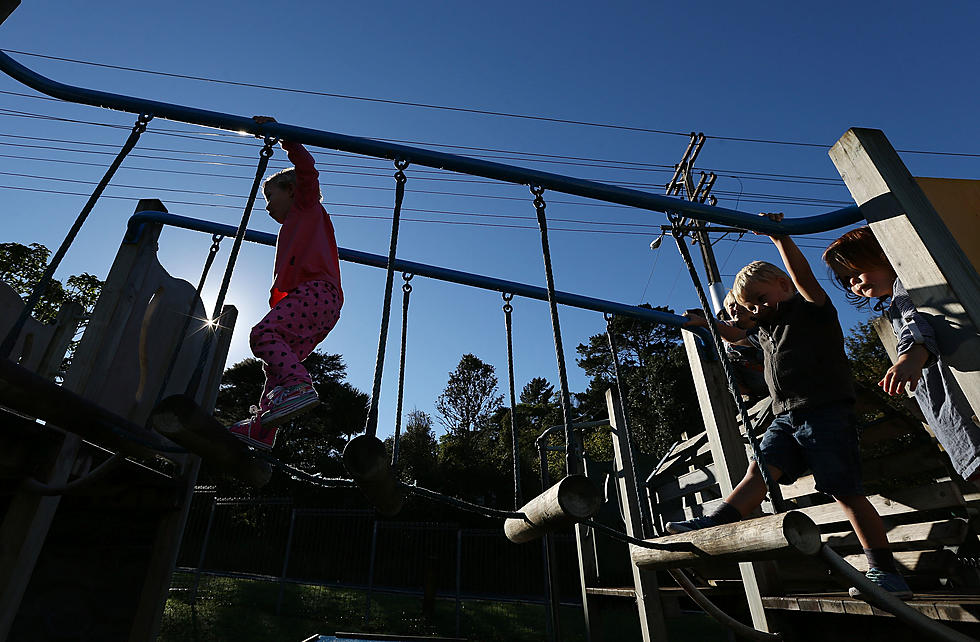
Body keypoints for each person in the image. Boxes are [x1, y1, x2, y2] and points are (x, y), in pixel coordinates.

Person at [671, 213, 912, 599]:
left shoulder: (811, 311)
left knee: (844, 491)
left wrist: (780, 238)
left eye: (761, 299)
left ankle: (886, 572)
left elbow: (806, 281)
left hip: (826, 411)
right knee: (760, 470)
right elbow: (738, 335)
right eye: (751, 305)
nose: (757, 308)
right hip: (787, 416)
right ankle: (714, 522)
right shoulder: (766, 329)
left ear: (783, 286)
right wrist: (707, 324)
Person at [823, 225, 980, 480]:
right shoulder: (895, 304)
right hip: (950, 414)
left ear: (885, 254)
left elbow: (916, 323)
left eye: (856, 271)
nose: (852, 282)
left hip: (962, 409)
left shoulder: (905, 291)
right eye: (845, 279)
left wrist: (909, 357)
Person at [228, 116, 344, 450]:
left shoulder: (307, 206)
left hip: (317, 292)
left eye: (270, 195)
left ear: (292, 191)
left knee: (263, 335)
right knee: (273, 369)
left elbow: (307, 168)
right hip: (317, 300)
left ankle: (299, 384)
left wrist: (283, 137)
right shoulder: (291, 224)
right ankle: (264, 428)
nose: (266, 205)